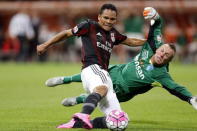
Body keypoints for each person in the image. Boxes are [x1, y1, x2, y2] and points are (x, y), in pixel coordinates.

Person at [45, 7, 197, 129]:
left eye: (167, 56)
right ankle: (65, 79)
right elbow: (156, 26)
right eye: (162, 51)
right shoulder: (152, 46)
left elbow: (176, 88)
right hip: (117, 70)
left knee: (107, 102)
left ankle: (78, 103)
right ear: (158, 48)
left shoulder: (161, 75)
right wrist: (155, 15)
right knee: (96, 71)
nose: (162, 55)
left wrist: (191, 99)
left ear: (169, 60)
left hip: (122, 91)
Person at [37, 3, 146, 129]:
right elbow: (67, 34)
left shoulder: (113, 34)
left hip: (103, 73)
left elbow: (130, 41)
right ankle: (83, 114)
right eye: (106, 18)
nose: (109, 21)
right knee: (102, 88)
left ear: (115, 20)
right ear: (99, 17)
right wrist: (45, 45)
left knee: (119, 120)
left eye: (112, 19)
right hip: (92, 68)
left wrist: (149, 42)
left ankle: (76, 124)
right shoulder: (89, 26)